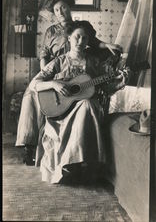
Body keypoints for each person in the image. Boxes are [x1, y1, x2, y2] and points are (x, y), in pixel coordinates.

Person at [15, 0, 123, 166]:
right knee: (30, 94)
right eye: (56, 10)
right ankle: (29, 145)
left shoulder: (79, 28)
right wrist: (46, 73)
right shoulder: (51, 31)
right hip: (55, 71)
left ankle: (76, 154)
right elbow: (44, 54)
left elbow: (94, 42)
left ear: (69, 7)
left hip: (73, 76)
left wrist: (107, 45)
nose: (60, 13)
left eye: (63, 8)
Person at [29, 21, 126, 184]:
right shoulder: (59, 62)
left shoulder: (94, 63)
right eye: (77, 37)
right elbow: (34, 84)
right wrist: (54, 83)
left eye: (85, 38)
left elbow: (104, 89)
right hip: (62, 110)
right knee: (86, 105)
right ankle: (74, 164)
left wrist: (119, 84)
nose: (80, 42)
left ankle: (76, 163)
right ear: (69, 38)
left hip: (88, 109)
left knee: (87, 103)